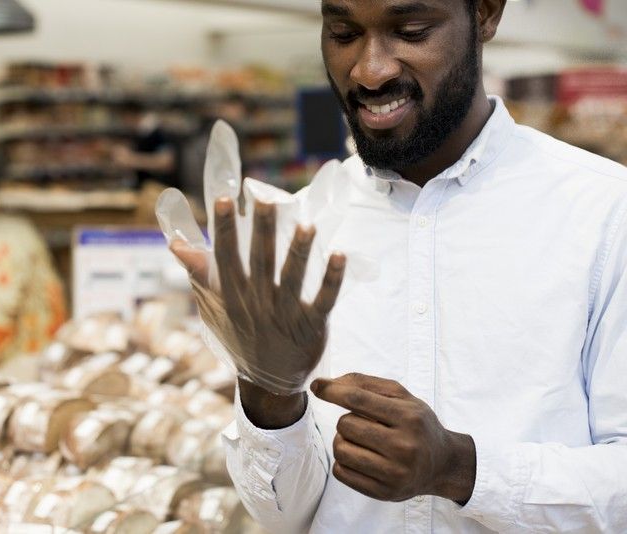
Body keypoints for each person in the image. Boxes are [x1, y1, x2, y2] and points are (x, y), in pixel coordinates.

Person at [169, 0, 627, 532]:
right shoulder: (302, 227)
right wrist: (269, 391)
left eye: (410, 31)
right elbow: (284, 514)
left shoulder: (604, 214)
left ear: (485, 14)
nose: (370, 70)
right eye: (342, 33)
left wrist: (461, 469)